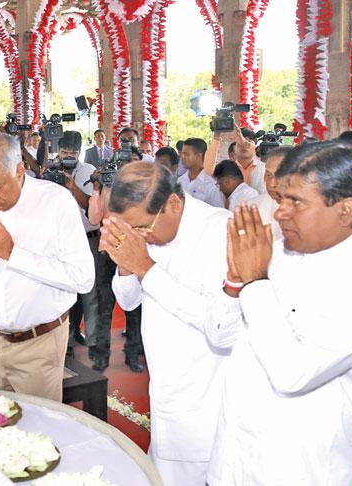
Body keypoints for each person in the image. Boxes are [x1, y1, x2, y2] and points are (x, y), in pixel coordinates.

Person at [208, 141, 352, 485]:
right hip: (233, 459)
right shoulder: (275, 253)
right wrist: (235, 281)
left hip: (301, 469)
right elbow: (220, 336)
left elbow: (292, 373)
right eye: (281, 199)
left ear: (344, 210)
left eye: (295, 202)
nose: (280, 212)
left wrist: (254, 283)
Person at [102, 162, 242, 484]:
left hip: (207, 405)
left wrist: (146, 267)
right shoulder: (148, 229)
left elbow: (221, 328)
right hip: (164, 394)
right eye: (129, 229)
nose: (139, 236)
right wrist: (126, 264)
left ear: (174, 204)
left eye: (141, 227)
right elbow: (127, 301)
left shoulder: (221, 232)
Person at [0, 133, 94, 401]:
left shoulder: (56, 202)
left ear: (19, 169)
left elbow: (82, 278)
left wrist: (14, 255)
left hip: (39, 344)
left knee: (39, 432)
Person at [85, 128, 146, 373]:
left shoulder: (144, 185)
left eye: (129, 160)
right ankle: (101, 357)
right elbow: (93, 217)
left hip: (133, 249)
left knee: (134, 307)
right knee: (104, 306)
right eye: (121, 159)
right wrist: (98, 187)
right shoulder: (107, 181)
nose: (123, 164)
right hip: (107, 250)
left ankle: (133, 354)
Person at [46, 131, 98, 360]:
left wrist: (71, 184)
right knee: (62, 289)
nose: (68, 157)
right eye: (65, 152)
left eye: (73, 153)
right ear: (59, 150)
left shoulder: (89, 172)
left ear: (80, 152)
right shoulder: (49, 171)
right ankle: (63, 339)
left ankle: (77, 329)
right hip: (59, 242)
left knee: (86, 291)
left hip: (88, 239)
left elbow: (90, 206)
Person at [252, 146, 291, 241]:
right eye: (269, 175)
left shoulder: (314, 213)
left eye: (280, 176)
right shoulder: (252, 208)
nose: (272, 183)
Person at [178, 138, 225, 208]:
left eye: (186, 154)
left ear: (198, 156)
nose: (182, 157)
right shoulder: (179, 182)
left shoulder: (212, 186)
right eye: (182, 154)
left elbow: (219, 213)